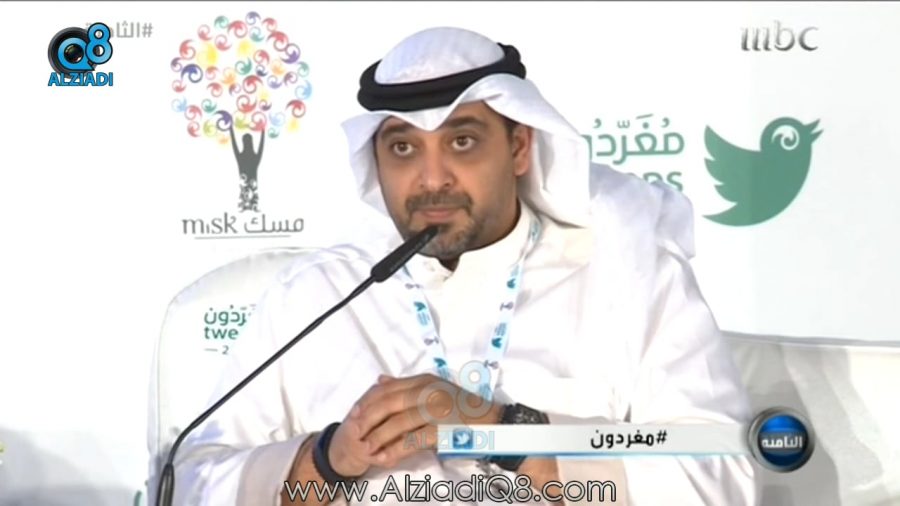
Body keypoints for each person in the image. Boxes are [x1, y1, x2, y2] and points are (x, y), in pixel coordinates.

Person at [169, 27, 757, 505]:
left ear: (519, 148)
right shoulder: (315, 297)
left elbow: (720, 474)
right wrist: (328, 460)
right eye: (403, 148)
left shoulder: (632, 276)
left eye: (462, 141)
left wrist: (505, 431)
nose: (431, 179)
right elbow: (191, 482)